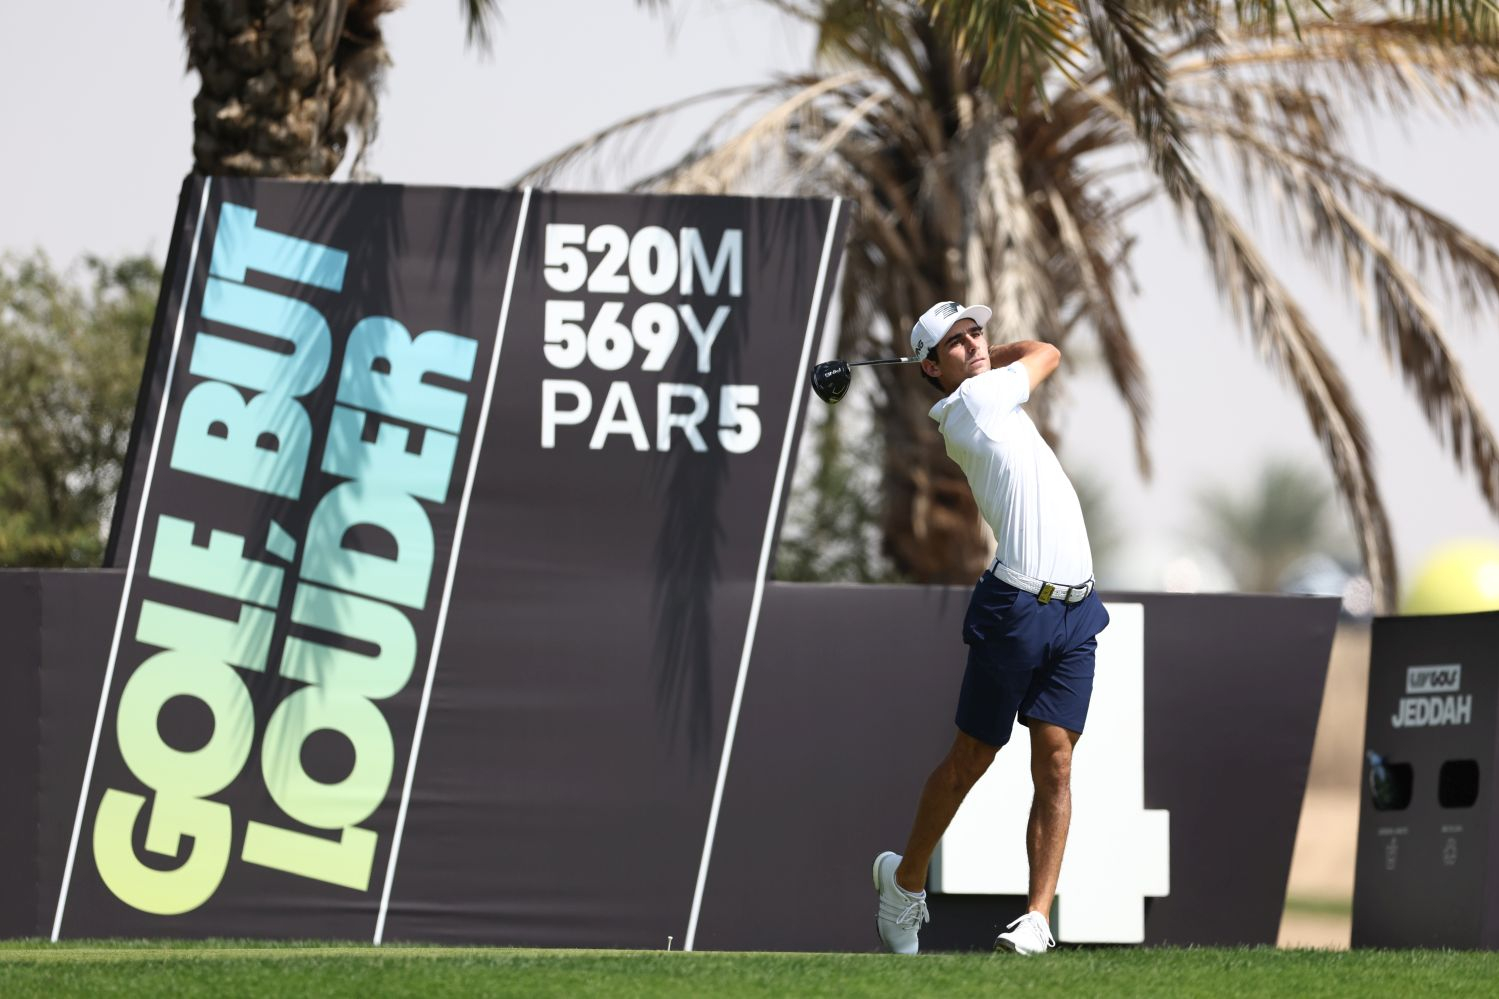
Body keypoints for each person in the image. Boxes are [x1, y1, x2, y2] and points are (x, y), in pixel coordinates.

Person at [872, 301, 1109, 956]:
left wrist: (970, 359)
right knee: (971, 758)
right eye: (955, 341)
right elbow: (1047, 352)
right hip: (1016, 609)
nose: (975, 341)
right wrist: (986, 362)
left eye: (975, 331)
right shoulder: (973, 407)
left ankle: (1036, 917)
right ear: (931, 366)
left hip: (1075, 608)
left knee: (1057, 761)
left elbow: (1033, 352)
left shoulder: (982, 393)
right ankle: (904, 880)